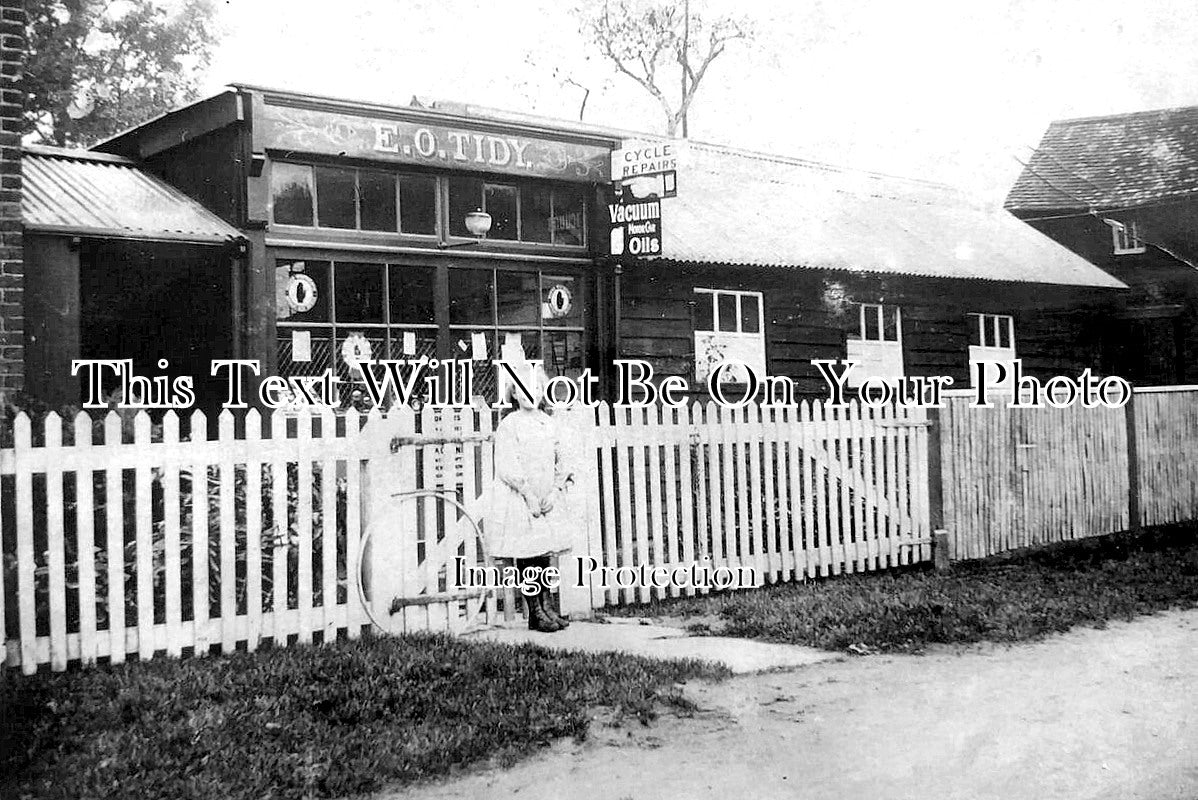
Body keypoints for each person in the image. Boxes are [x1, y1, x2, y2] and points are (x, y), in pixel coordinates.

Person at [485, 363, 573, 632]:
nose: (528, 393)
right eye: (521, 389)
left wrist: (556, 490)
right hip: (522, 498)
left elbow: (563, 458)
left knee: (545, 551)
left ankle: (547, 607)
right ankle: (534, 611)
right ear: (513, 393)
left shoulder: (549, 424)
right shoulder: (509, 425)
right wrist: (528, 495)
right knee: (528, 552)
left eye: (534, 388)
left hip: (547, 496)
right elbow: (507, 464)